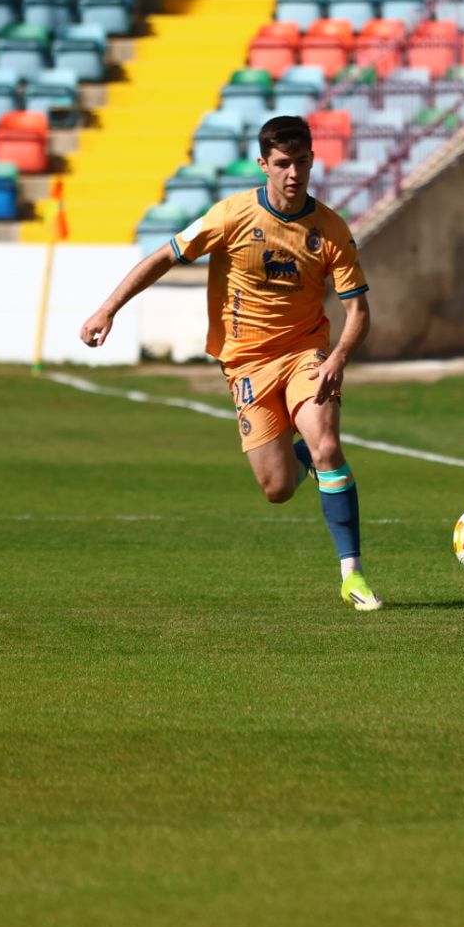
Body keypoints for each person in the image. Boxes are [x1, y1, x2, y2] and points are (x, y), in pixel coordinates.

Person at [79, 115, 384, 611]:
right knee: (278, 489)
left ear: (311, 161)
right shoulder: (231, 216)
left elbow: (358, 311)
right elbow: (165, 255)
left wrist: (339, 359)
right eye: (282, 163)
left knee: (328, 445)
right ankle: (299, 459)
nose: (293, 173)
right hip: (244, 364)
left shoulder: (330, 229)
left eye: (302, 162)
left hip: (306, 352)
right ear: (263, 164)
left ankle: (352, 574)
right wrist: (107, 309)